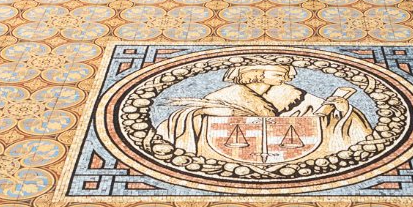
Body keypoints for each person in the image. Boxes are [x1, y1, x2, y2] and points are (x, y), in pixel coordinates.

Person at [156, 62, 373, 161]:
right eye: (279, 74)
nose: (287, 77)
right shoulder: (223, 96)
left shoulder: (295, 95)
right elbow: (181, 120)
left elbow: (323, 115)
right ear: (257, 73)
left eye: (285, 74)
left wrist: (342, 109)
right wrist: (208, 114)